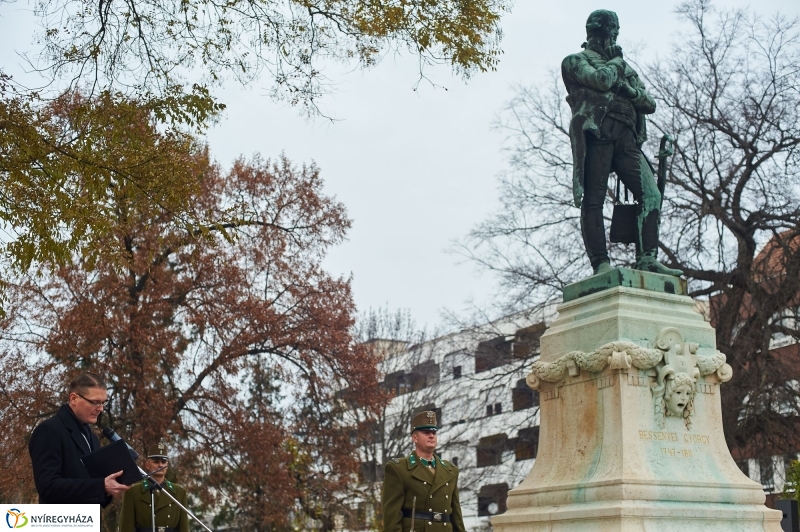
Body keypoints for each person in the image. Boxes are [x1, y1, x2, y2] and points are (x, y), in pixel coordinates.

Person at [562, 9, 682, 277]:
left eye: (615, 31)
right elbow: (601, 81)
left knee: (652, 195)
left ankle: (647, 258)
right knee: (594, 198)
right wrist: (616, 64)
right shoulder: (575, 61)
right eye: (610, 31)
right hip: (598, 134)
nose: (613, 36)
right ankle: (600, 263)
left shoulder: (625, 69)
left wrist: (628, 89)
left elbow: (649, 103)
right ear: (596, 32)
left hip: (627, 138)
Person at [28, 372, 130, 505]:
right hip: (61, 523)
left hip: (88, 522)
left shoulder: (91, 436)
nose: (101, 409)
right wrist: (100, 486)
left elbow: (93, 482)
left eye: (103, 403)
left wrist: (112, 484)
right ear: (74, 398)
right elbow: (48, 487)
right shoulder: (49, 430)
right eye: (95, 402)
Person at [382, 411, 465, 532]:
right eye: (426, 432)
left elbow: (456, 516)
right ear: (414, 438)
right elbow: (391, 518)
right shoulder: (399, 469)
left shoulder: (450, 470)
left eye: (434, 432)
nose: (431, 436)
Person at [119, 442, 189, 532]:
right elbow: (126, 527)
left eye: (163, 462)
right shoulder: (133, 491)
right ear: (147, 465)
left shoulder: (179, 492)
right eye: (156, 462)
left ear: (167, 466)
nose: (160, 465)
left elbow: (184, 527)